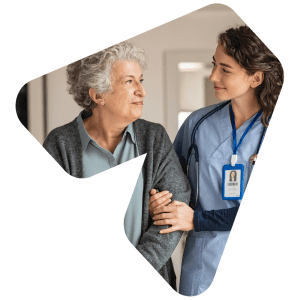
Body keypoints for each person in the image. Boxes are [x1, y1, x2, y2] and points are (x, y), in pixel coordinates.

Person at [43, 41, 191, 290]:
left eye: (140, 80)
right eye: (129, 82)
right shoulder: (60, 143)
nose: (142, 92)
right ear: (98, 94)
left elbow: (174, 214)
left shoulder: (154, 138)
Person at [149, 25, 283, 295]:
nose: (212, 76)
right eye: (214, 65)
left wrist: (196, 220)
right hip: (202, 264)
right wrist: (159, 202)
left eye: (225, 69)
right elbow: (171, 183)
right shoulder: (198, 124)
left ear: (255, 78)